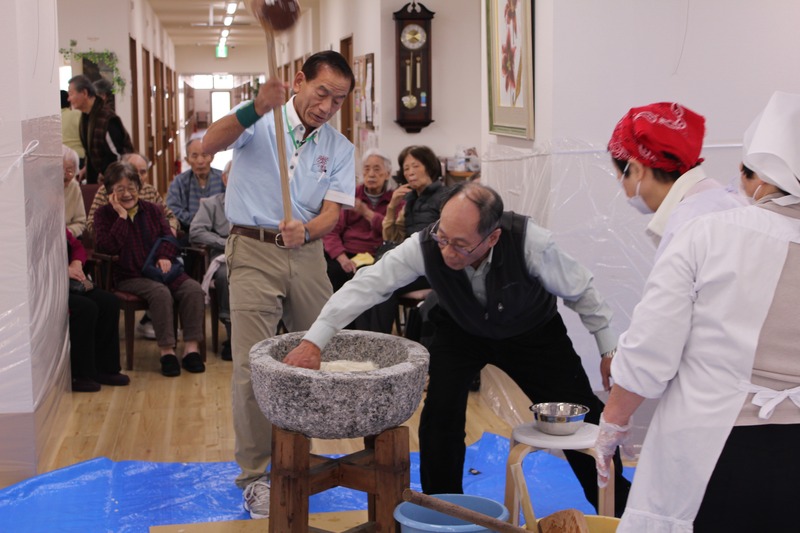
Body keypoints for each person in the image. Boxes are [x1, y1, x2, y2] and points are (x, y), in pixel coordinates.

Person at [284, 181, 630, 516]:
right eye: (443, 238)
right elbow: (369, 285)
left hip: (533, 332)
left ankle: (618, 508)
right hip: (461, 329)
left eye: (460, 245)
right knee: (439, 417)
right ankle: (445, 510)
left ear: (492, 237)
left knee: (583, 418)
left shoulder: (530, 242)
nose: (447, 251)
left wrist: (608, 349)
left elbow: (581, 290)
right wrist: (314, 340)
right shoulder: (423, 244)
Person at [594, 91, 800, 532]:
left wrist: (612, 421)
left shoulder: (711, 233)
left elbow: (651, 351)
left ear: (761, 174)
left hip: (718, 444)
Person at [202, 50, 356, 519]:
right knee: (254, 365)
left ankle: (295, 459)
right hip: (251, 249)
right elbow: (210, 142)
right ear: (298, 81)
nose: (327, 106)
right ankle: (254, 476)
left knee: (317, 354)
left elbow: (333, 213)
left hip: (306, 254)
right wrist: (255, 106)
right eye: (322, 92)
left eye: (339, 100)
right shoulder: (260, 122)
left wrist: (306, 231)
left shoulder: (341, 147)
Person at [93, 161, 206, 377]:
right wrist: (121, 217)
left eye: (131, 188)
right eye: (120, 189)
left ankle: (191, 349)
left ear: (139, 188)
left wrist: (164, 255)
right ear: (110, 193)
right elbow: (106, 247)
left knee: (193, 289)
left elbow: (168, 237)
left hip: (161, 271)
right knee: (160, 293)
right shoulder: (103, 215)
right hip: (129, 275)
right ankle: (167, 352)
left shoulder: (153, 210)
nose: (127, 194)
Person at [609, 102, 746, 261]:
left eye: (620, 176)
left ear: (636, 170)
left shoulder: (686, 225)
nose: (625, 190)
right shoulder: (724, 201)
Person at [323, 149, 396, 333]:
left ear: (387, 173)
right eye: (367, 169)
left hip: (379, 255)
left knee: (377, 279)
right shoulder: (350, 195)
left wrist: (367, 213)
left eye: (377, 169)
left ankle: (373, 337)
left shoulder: (395, 200)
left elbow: (393, 233)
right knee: (334, 273)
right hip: (347, 255)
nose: (371, 174)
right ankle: (342, 333)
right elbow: (331, 230)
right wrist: (341, 257)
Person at [67, 228, 130, 392]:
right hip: (48, 286)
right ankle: (80, 374)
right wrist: (63, 270)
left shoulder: (53, 223)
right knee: (86, 308)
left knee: (109, 302)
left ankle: (106, 368)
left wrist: (76, 262)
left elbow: (78, 247)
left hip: (70, 282)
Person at [190, 160, 232, 360]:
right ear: (224, 179)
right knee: (226, 275)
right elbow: (195, 232)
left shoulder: (261, 203)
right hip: (224, 259)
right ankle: (232, 335)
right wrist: (225, 242)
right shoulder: (211, 204)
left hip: (256, 256)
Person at [87, 152, 179, 238]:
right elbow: (91, 225)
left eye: (143, 172)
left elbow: (170, 217)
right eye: (133, 171)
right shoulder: (106, 190)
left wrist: (171, 230)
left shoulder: (150, 190)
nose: (138, 176)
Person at [67, 74, 134, 184]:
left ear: (84, 93)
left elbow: (117, 155)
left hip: (116, 182)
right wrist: (85, 169)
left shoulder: (107, 118)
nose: (69, 98)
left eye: (71, 94)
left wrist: (107, 177)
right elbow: (91, 153)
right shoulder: (85, 116)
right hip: (99, 181)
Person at [382, 145, 446, 243]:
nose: (410, 172)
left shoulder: (445, 197)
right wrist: (392, 207)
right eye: (406, 169)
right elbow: (392, 239)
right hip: (410, 254)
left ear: (429, 168)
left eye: (416, 166)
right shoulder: (409, 200)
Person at [166, 138, 225, 236]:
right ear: (187, 160)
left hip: (220, 232)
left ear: (212, 157)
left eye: (205, 155)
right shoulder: (179, 182)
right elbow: (172, 209)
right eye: (194, 156)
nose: (200, 161)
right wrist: (198, 221)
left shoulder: (223, 178)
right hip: (189, 232)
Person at [63, 145, 87, 239]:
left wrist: (66, 233)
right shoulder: (41, 188)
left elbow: (80, 222)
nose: (65, 175)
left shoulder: (74, 186)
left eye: (70, 170)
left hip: (68, 238)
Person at [60, 90, 85, 167]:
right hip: (79, 156)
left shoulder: (54, 119)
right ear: (69, 101)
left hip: (62, 158)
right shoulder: (77, 114)